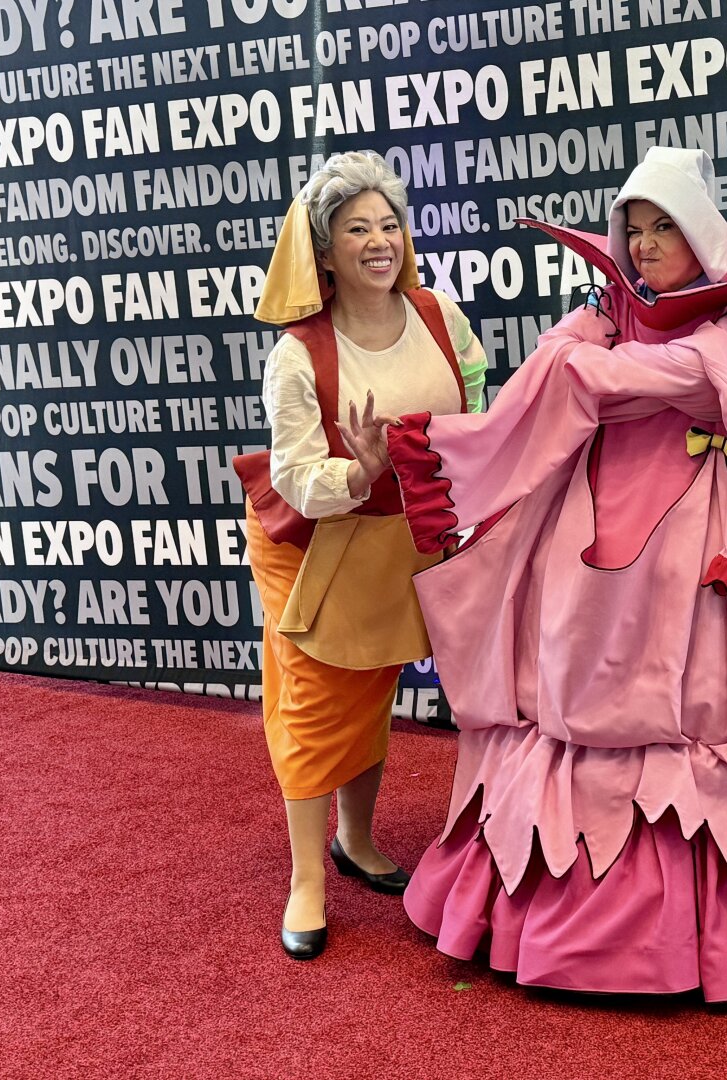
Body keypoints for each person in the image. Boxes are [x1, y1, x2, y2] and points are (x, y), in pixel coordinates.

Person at [354, 148, 727, 1000]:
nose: (649, 241)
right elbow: (563, 361)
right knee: (571, 666)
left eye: (667, 226)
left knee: (714, 693)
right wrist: (585, 361)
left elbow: (685, 377)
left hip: (717, 531)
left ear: (702, 236)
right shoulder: (603, 311)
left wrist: (589, 370)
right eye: (637, 226)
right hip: (593, 521)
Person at [246, 150, 487, 960]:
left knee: (375, 679)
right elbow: (297, 477)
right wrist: (364, 468)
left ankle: (355, 839)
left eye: (389, 224)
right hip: (314, 541)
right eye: (358, 229)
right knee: (318, 701)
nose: (380, 241)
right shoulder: (297, 353)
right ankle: (305, 879)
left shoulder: (438, 316)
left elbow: (475, 400)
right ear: (324, 252)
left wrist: (456, 463)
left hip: (400, 535)